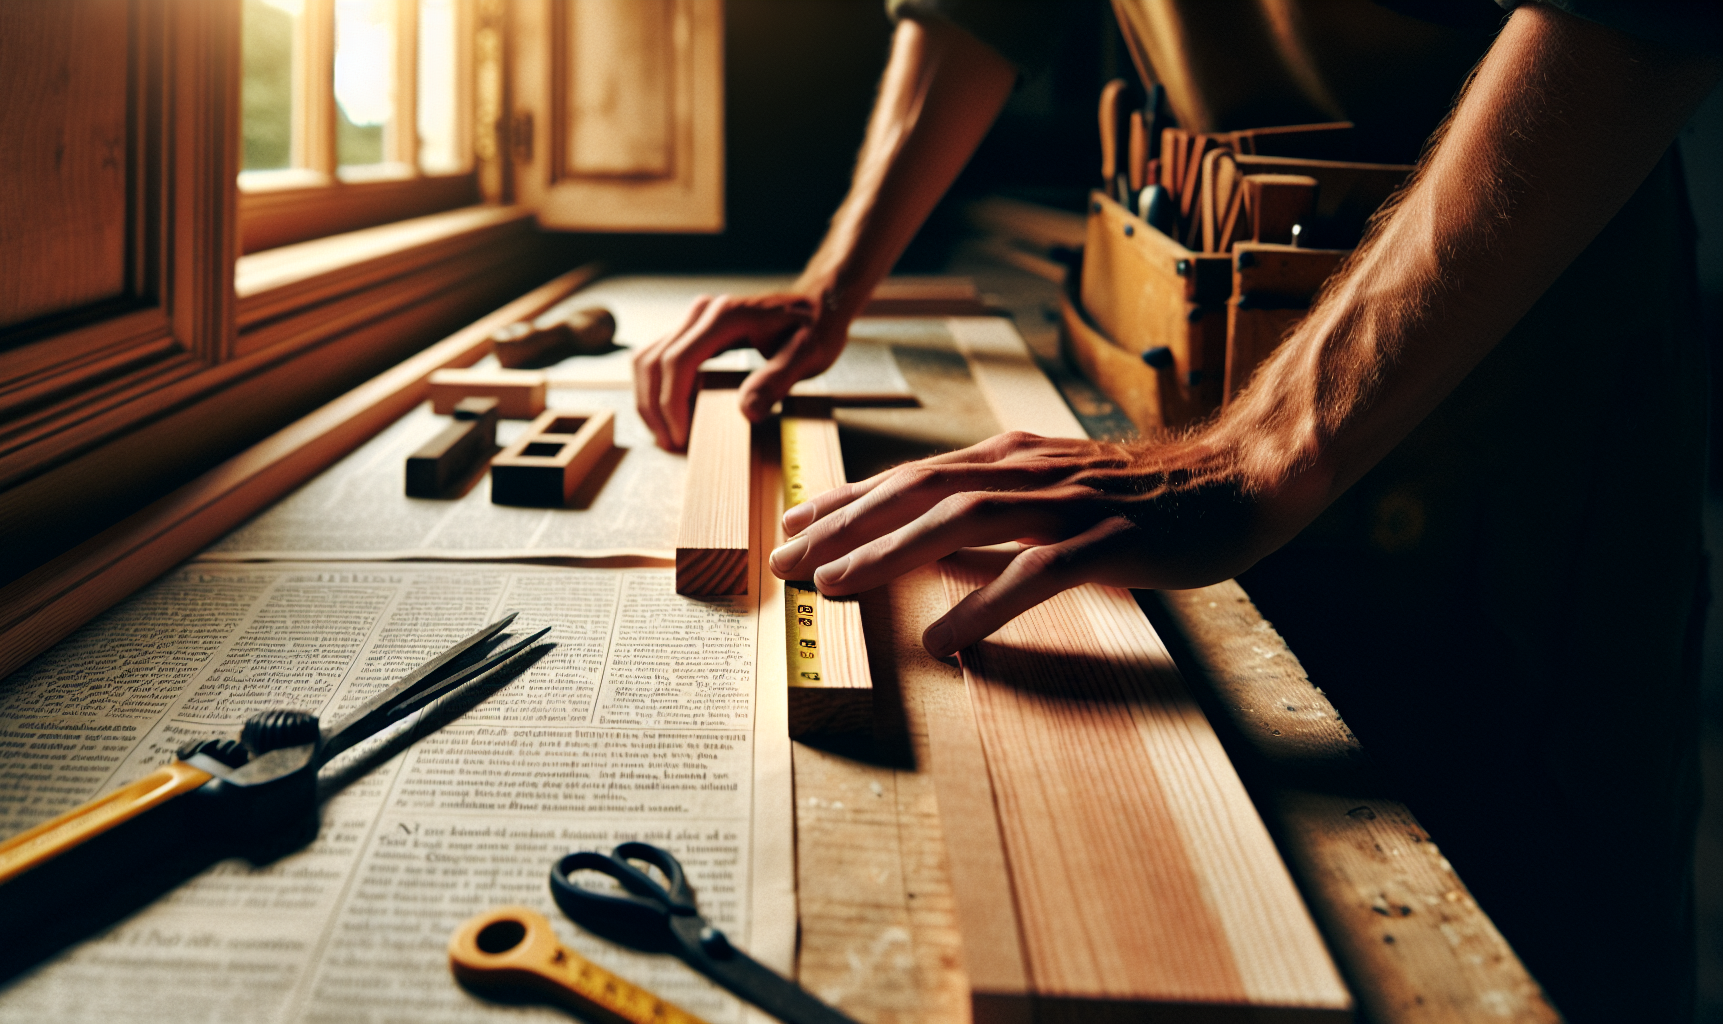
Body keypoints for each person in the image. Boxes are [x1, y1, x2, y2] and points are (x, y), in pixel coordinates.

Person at [633, 2, 1720, 1017]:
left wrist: (1263, 450)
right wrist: (836, 278)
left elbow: (1632, 22)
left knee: (1532, 932)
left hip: (1503, 393)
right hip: (1192, 341)